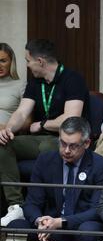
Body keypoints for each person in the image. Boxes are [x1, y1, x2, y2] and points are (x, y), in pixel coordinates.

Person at [0, 39, 89, 223]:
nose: (27, 64)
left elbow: (71, 119)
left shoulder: (73, 79)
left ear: (40, 61)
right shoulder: (35, 82)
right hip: (38, 139)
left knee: (47, 149)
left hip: (64, 140)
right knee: (3, 144)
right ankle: (16, 206)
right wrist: (8, 129)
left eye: (28, 60)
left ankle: (55, 209)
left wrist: (42, 124)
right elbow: (22, 112)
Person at [5, 117, 103, 241]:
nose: (66, 150)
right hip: (48, 225)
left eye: (73, 146)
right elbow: (32, 202)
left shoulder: (100, 165)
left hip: (79, 225)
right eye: (63, 143)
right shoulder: (45, 160)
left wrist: (60, 222)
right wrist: (40, 222)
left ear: (87, 143)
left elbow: (98, 210)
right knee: (15, 227)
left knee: (89, 231)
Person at [0, 43, 25, 128]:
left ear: (11, 62)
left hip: (6, 134)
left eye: (3, 61)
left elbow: (27, 121)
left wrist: (6, 128)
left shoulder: (21, 85)